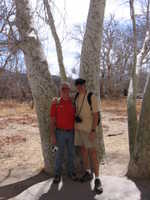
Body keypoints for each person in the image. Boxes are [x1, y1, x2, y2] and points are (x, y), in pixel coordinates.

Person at [74, 78, 103, 194]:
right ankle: (87, 172)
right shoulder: (76, 97)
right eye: (78, 85)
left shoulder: (92, 97)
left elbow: (96, 115)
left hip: (88, 130)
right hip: (79, 130)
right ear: (76, 86)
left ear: (85, 85)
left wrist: (92, 130)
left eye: (81, 85)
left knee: (93, 153)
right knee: (83, 151)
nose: (80, 87)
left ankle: (97, 179)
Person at [50, 81, 77, 184]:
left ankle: (71, 172)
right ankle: (57, 174)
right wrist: (52, 135)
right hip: (59, 133)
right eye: (63, 89)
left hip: (72, 133)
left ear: (69, 91)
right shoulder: (55, 103)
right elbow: (52, 120)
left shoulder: (73, 103)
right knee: (58, 154)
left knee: (71, 153)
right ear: (60, 91)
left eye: (67, 89)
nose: (65, 91)